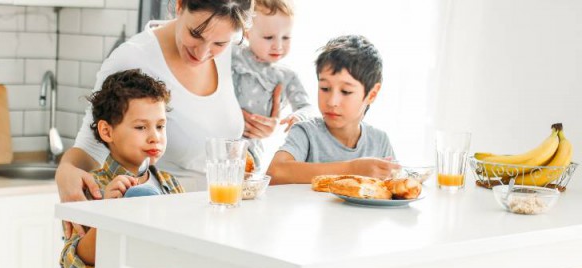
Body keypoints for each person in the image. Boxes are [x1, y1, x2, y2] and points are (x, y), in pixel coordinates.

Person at [57, 0, 254, 236]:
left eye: (220, 43)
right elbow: (91, 146)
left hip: (219, 224)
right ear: (180, 5)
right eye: (195, 34)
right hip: (164, 227)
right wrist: (65, 170)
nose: (203, 52)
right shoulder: (132, 57)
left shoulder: (224, 47)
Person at [59, 69, 219, 268]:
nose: (155, 137)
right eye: (141, 127)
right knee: (140, 197)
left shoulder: (170, 184)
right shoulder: (92, 188)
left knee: (207, 233)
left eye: (160, 126)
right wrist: (108, 215)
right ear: (106, 131)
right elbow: (72, 266)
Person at [267, 35, 399, 184]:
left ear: (372, 94)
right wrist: (351, 170)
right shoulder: (306, 133)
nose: (332, 101)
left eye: (346, 91)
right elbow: (275, 172)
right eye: (325, 88)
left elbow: (395, 186)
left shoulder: (379, 141)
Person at [232, 0, 317, 166]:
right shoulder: (233, 53)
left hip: (250, 146)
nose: (278, 46)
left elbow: (307, 107)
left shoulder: (286, 75)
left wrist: (297, 116)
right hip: (218, 136)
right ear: (247, 33)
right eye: (268, 37)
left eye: (286, 37)